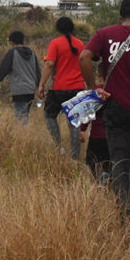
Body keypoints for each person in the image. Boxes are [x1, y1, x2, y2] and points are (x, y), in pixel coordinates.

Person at [80, 0, 130, 213]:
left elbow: (84, 57)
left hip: (116, 109)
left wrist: (92, 87)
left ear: (120, 15)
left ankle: (126, 212)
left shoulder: (104, 34)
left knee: (119, 163)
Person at [37, 17, 85, 159]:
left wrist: (41, 85)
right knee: (74, 122)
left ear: (58, 29)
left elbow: (50, 64)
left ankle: (59, 147)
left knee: (49, 115)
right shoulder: (80, 44)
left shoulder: (55, 43)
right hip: (77, 88)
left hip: (59, 88)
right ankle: (75, 157)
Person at [0, 30, 41, 125]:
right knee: (25, 115)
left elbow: (4, 69)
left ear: (11, 42)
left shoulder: (12, 52)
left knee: (21, 119)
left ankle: (23, 137)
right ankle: (26, 136)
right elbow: (38, 71)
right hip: (31, 90)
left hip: (19, 90)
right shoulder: (32, 53)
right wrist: (40, 86)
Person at [79, 63, 110, 182]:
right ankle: (108, 180)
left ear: (98, 74)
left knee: (92, 162)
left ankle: (98, 181)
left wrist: (82, 130)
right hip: (111, 136)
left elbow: (87, 113)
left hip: (96, 136)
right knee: (109, 162)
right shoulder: (115, 91)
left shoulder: (95, 92)